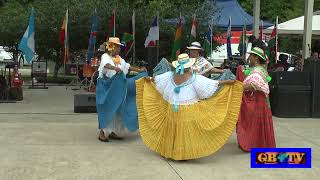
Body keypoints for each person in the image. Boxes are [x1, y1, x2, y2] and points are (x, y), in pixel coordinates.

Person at [136, 53, 243, 160]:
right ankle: (183, 153)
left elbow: (155, 79)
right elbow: (213, 83)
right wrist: (227, 81)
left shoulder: (169, 75)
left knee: (173, 129)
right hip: (186, 109)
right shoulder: (194, 78)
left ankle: (172, 150)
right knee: (185, 131)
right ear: (189, 66)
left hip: (171, 108)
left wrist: (148, 78)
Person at [96, 37, 147, 142]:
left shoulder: (119, 59)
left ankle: (113, 131)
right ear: (111, 47)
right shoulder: (105, 56)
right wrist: (115, 68)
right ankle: (102, 132)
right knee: (106, 108)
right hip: (106, 86)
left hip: (117, 87)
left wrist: (139, 70)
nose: (119, 49)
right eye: (118, 47)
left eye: (119, 47)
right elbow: (106, 64)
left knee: (118, 108)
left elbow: (127, 67)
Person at [236, 47, 276, 152]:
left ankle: (253, 143)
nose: (249, 58)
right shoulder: (260, 69)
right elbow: (248, 74)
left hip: (258, 99)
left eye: (251, 56)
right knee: (257, 122)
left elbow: (252, 85)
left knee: (253, 121)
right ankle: (258, 142)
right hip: (261, 99)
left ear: (257, 58)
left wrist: (236, 88)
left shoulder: (257, 71)